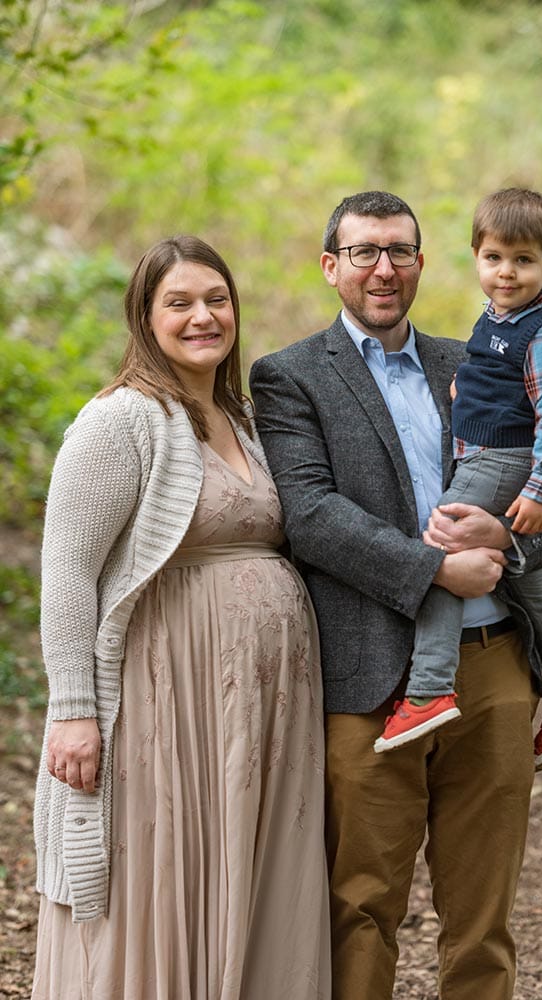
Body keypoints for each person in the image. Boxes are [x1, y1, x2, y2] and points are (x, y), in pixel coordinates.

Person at [249, 190, 542, 1000]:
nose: (383, 268)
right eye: (363, 251)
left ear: (424, 262)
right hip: (371, 678)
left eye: (400, 250)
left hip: (495, 670)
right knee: (362, 903)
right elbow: (311, 515)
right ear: (331, 265)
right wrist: (434, 568)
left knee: (483, 912)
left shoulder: (474, 356)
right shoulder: (290, 377)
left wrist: (506, 544)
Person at [31, 236, 330, 1000]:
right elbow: (68, 569)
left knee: (253, 863)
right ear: (146, 316)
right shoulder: (121, 420)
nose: (204, 317)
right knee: (162, 868)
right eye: (180, 303)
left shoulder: (245, 418)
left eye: (217, 299)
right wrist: (71, 710)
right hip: (166, 698)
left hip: (262, 710)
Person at [374, 188, 542, 768]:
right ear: (476, 256)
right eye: (495, 258)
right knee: (533, 584)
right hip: (491, 452)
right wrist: (464, 396)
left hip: (503, 464)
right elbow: (496, 381)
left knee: (442, 544)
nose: (507, 272)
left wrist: (541, 490)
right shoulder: (497, 319)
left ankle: (429, 688)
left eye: (524, 260)